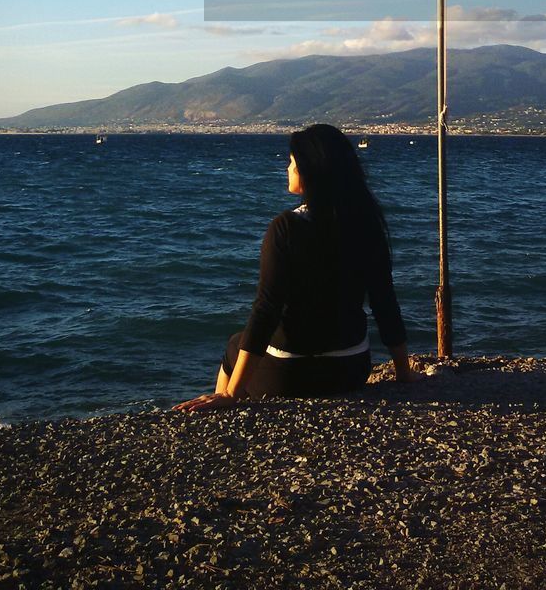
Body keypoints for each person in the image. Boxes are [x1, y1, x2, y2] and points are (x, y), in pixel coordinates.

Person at [175, 124, 418, 411]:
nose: (288, 168)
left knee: (234, 345)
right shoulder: (366, 223)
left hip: (287, 376)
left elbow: (266, 310)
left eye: (292, 162)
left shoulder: (286, 227)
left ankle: (223, 414)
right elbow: (384, 301)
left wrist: (232, 393)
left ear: (310, 170)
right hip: (350, 369)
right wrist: (403, 372)